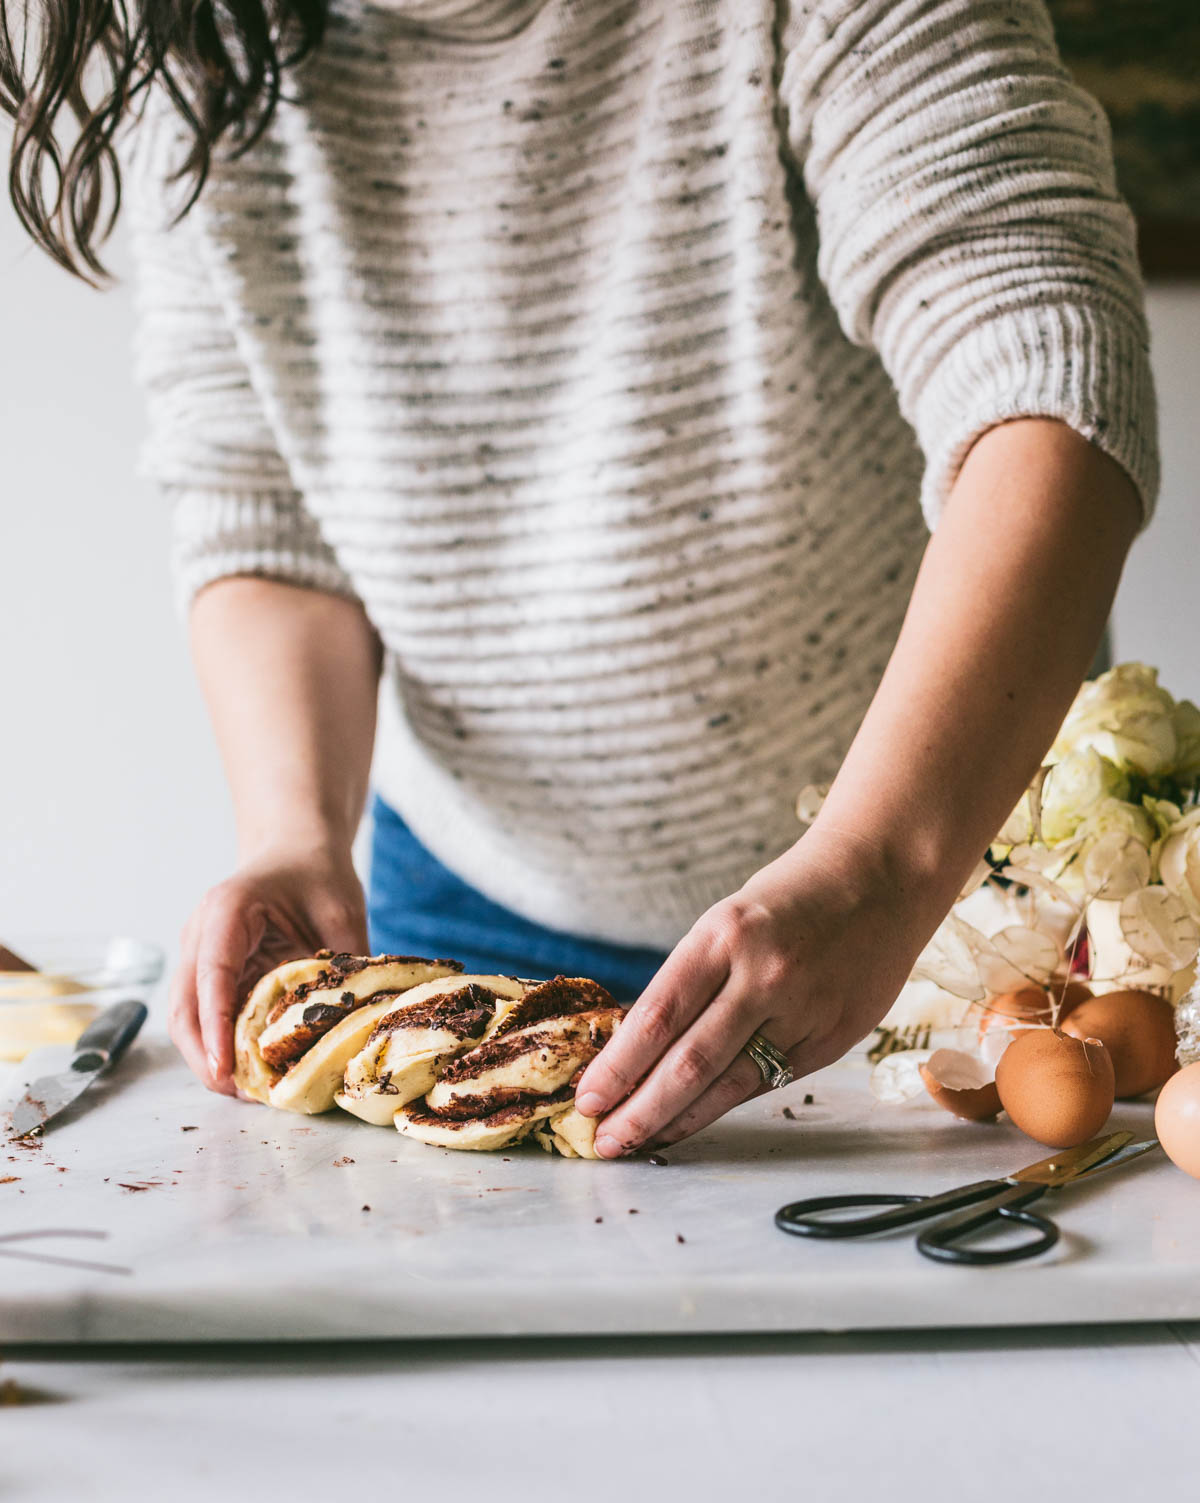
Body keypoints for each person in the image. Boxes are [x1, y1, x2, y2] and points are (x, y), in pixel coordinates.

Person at [4, 0, 1156, 1157]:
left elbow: (1050, 376)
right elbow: (261, 503)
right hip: (472, 904)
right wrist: (293, 832)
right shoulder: (202, 42)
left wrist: (884, 864)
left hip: (950, 912)